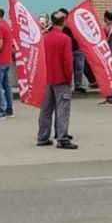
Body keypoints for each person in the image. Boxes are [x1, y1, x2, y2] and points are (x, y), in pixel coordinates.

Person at [37, 11, 77, 149]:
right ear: (64, 22)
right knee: (62, 110)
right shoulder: (65, 39)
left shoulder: (45, 38)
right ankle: (62, 138)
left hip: (48, 78)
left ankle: (42, 136)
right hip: (61, 78)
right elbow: (67, 62)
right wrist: (69, 78)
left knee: (46, 110)